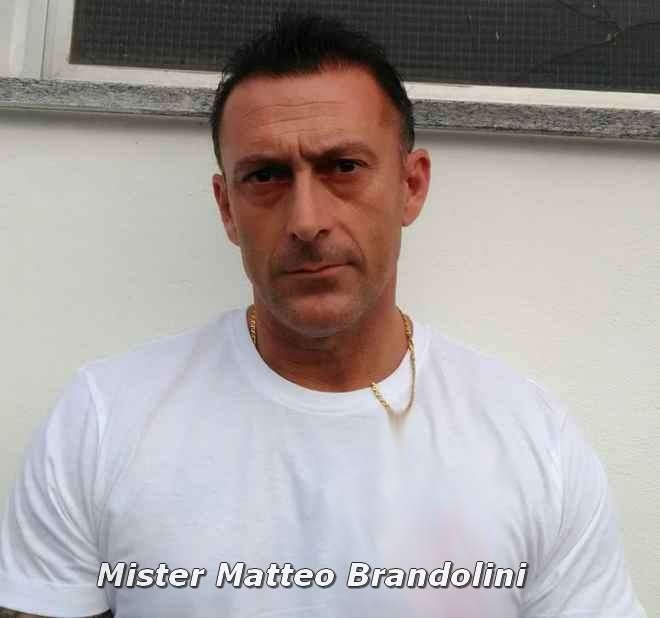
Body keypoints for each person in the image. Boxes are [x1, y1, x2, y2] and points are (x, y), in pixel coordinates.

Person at [0, 13, 646, 618]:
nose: (307, 221)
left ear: (411, 185)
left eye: (343, 167)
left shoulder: (533, 441)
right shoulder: (104, 421)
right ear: (227, 208)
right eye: (266, 176)